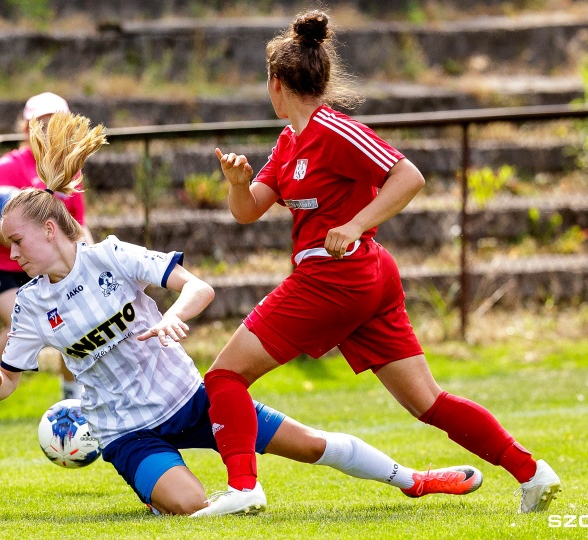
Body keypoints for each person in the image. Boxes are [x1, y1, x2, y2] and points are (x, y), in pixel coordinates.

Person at [0, 111, 486, 516]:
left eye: (18, 241)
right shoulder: (30, 305)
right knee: (190, 506)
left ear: (50, 229)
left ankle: (414, 479)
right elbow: (10, 382)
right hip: (123, 430)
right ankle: (174, 484)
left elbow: (197, 288)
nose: (12, 254)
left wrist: (172, 316)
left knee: (311, 445)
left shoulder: (110, 257)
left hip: (190, 398)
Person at [194, 10, 562, 517]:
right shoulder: (289, 143)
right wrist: (237, 184)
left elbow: (408, 176)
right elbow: (248, 212)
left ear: (275, 84)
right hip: (355, 281)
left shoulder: (335, 129)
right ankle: (533, 472)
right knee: (425, 403)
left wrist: (353, 225)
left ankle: (243, 489)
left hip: (336, 277)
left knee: (224, 377)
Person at [0, 92, 90, 416]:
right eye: (39, 123)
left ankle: (74, 400)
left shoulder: (68, 170)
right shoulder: (12, 165)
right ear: (26, 127)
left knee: (72, 318)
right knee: (24, 319)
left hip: (34, 264)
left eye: (54, 123)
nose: (46, 129)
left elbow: (78, 225)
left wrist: (91, 256)